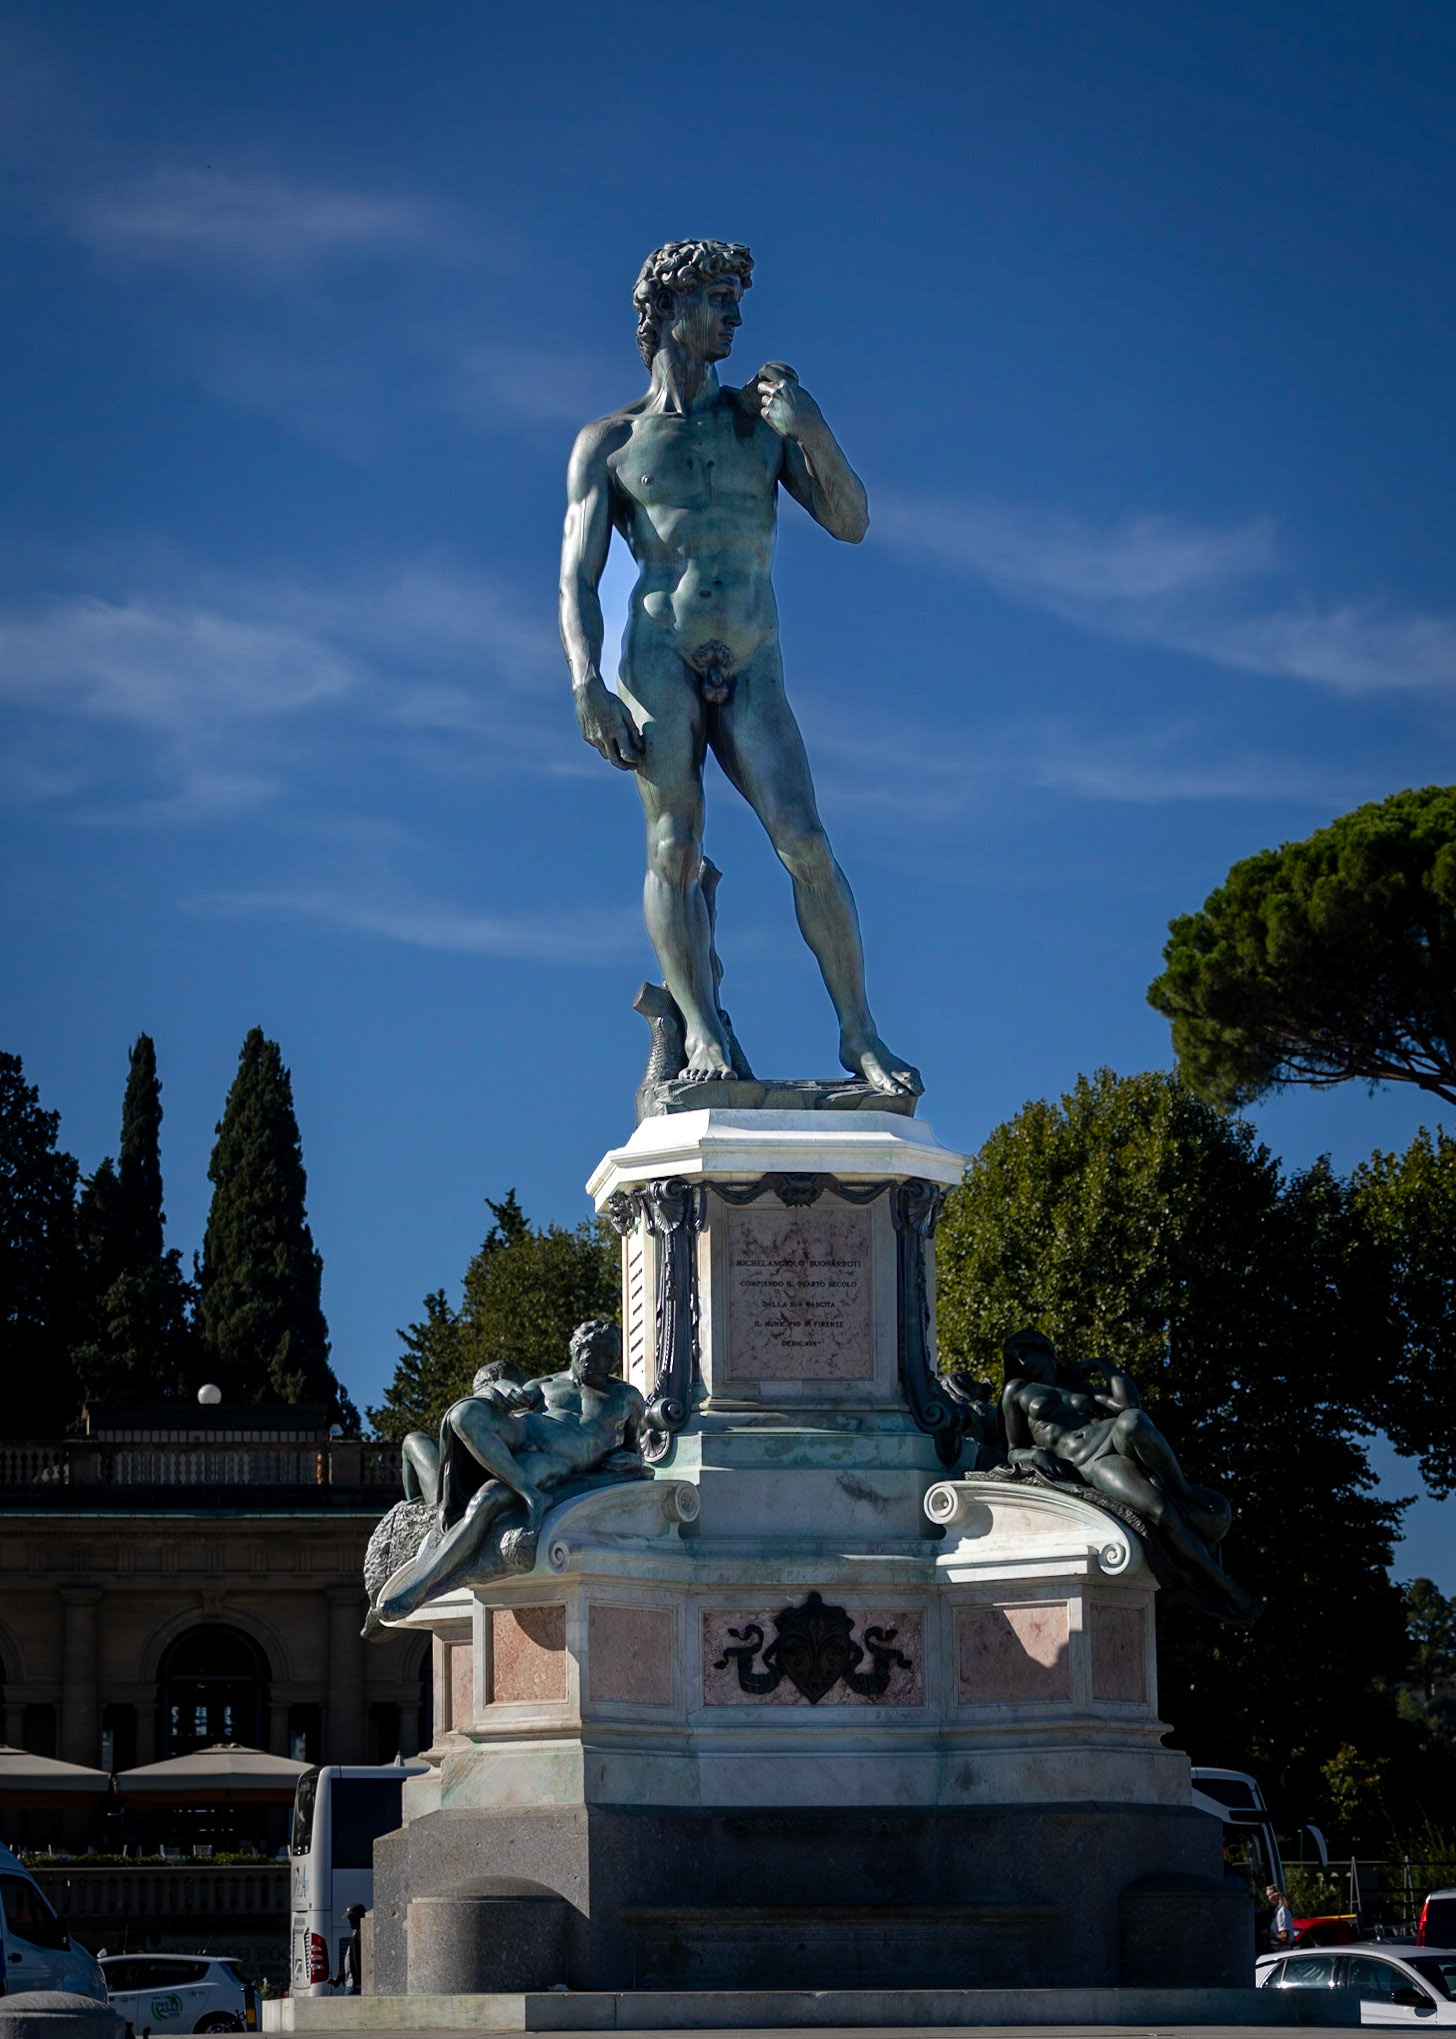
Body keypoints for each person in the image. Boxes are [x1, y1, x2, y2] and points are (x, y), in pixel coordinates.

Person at [559, 239, 919, 1097]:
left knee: (806, 842)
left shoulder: (761, 426)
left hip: (753, 652)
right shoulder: (610, 443)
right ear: (668, 310)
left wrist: (813, 429)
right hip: (656, 654)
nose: (734, 314)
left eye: (735, 298)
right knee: (674, 844)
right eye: (716, 297)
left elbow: (852, 520)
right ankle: (704, 1032)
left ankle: (860, 1034)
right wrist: (586, 683)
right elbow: (576, 575)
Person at [375, 1321, 646, 1622]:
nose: (599, 1364)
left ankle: (419, 1587)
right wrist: (498, 1389)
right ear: (575, 1350)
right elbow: (508, 1405)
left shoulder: (627, 1398)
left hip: (552, 1462)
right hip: (526, 1433)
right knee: (463, 1414)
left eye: (609, 1358)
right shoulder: (545, 1384)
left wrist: (634, 1462)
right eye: (591, 1354)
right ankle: (529, 1494)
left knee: (485, 1501)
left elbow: (636, 1451)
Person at [1000, 1329, 1261, 1623]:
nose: (1022, 1362)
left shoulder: (1078, 1386)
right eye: (1015, 1358)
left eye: (1026, 1352)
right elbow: (1013, 1450)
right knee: (1160, 1511)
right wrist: (1033, 1455)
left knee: (1133, 1421)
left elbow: (1130, 1405)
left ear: (1044, 1350)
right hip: (1092, 1460)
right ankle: (1227, 1588)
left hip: (1111, 1433)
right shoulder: (1018, 1391)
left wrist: (1103, 1365)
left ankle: (1185, 1492)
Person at [332, 1903, 366, 1994]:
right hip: (351, 1983)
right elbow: (350, 1960)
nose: (348, 1921)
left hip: (355, 1984)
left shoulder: (361, 1934)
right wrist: (340, 1977)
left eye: (350, 1918)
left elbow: (357, 1960)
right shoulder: (356, 1934)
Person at [1267, 1886, 1295, 1950]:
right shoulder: (1276, 1911)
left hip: (1281, 1949)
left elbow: (1284, 1937)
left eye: (1269, 1896)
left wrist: (1269, 1934)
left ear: (1276, 1896)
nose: (1268, 1899)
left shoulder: (1282, 1912)